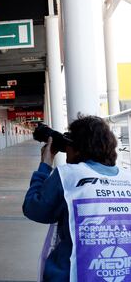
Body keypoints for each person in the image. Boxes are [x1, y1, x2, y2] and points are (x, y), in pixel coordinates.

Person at [23, 115, 131, 282]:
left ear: (78, 148)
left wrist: (45, 164)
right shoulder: (128, 178)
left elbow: (34, 209)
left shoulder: (68, 175)